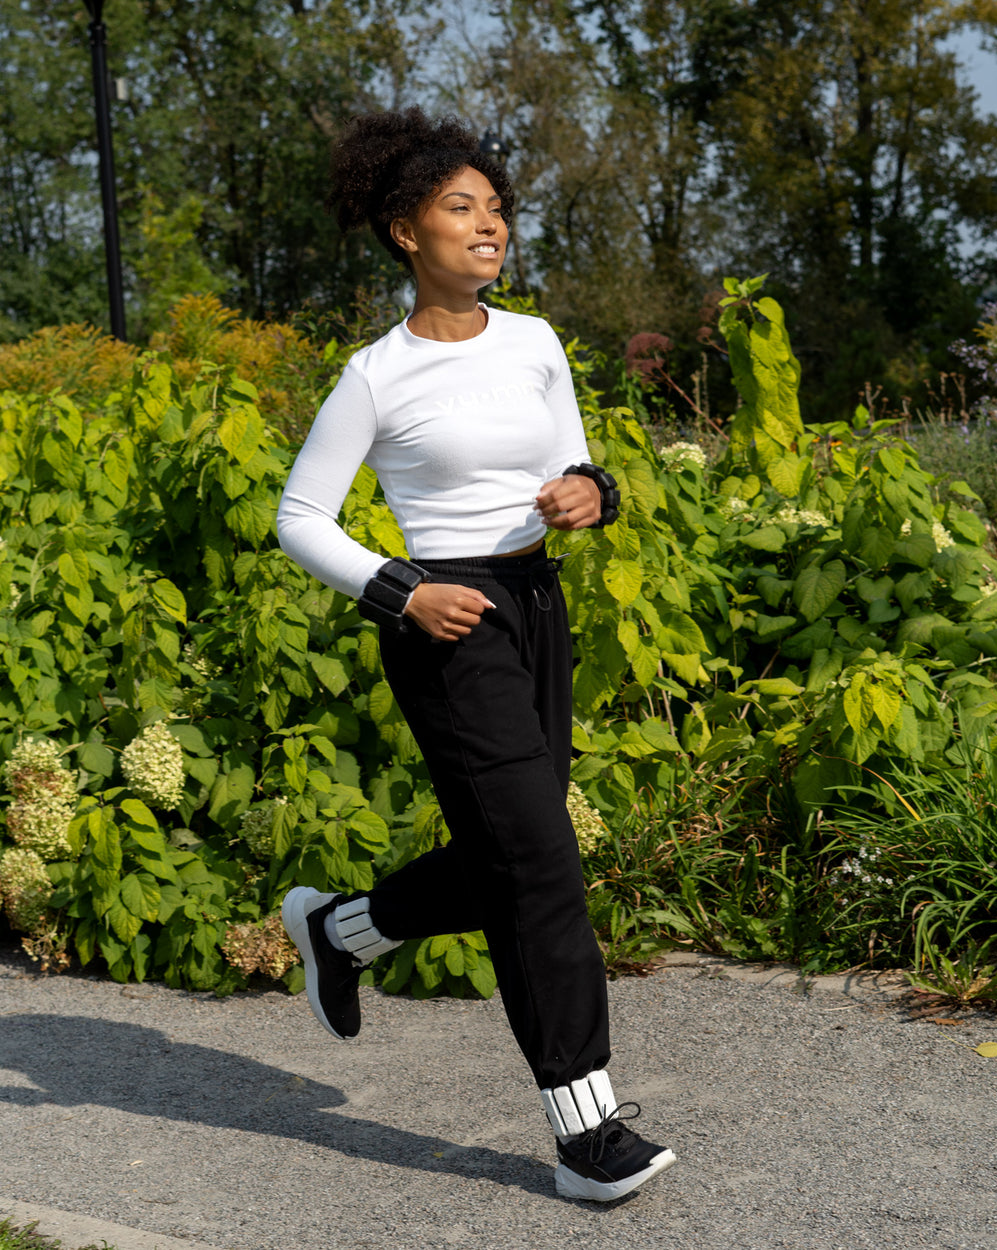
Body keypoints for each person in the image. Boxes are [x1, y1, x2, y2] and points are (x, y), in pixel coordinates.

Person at [276, 106, 676, 1203]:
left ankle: (339, 927)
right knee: (542, 861)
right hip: (446, 625)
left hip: (537, 607)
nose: (488, 225)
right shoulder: (374, 374)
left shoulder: (536, 340)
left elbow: (570, 465)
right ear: (407, 230)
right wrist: (403, 588)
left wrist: (588, 491)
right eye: (462, 208)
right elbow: (300, 515)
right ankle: (585, 1130)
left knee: (514, 849)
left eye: (496, 208)